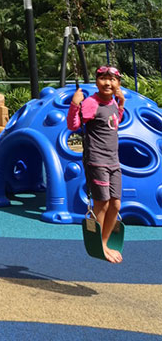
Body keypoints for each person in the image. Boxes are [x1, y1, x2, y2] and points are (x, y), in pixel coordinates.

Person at [67, 65, 125, 264]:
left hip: (113, 161)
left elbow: (115, 121)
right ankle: (100, 245)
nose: (108, 83)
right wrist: (75, 105)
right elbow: (74, 126)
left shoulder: (114, 102)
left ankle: (105, 241)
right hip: (97, 160)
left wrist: (122, 102)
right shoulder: (91, 103)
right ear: (96, 81)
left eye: (112, 79)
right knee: (103, 203)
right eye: (103, 78)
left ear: (118, 83)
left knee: (116, 204)